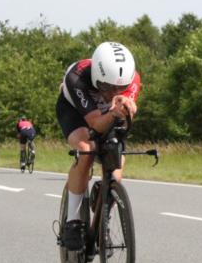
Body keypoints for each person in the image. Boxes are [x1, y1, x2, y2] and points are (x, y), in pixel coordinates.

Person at [56, 41, 141, 251]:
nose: (113, 93)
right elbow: (95, 124)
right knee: (86, 150)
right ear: (96, 77)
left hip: (108, 115)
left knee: (117, 166)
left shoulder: (132, 79)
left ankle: (102, 219)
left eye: (119, 88)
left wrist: (127, 109)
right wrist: (113, 112)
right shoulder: (77, 77)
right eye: (107, 87)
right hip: (75, 112)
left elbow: (126, 114)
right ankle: (73, 221)